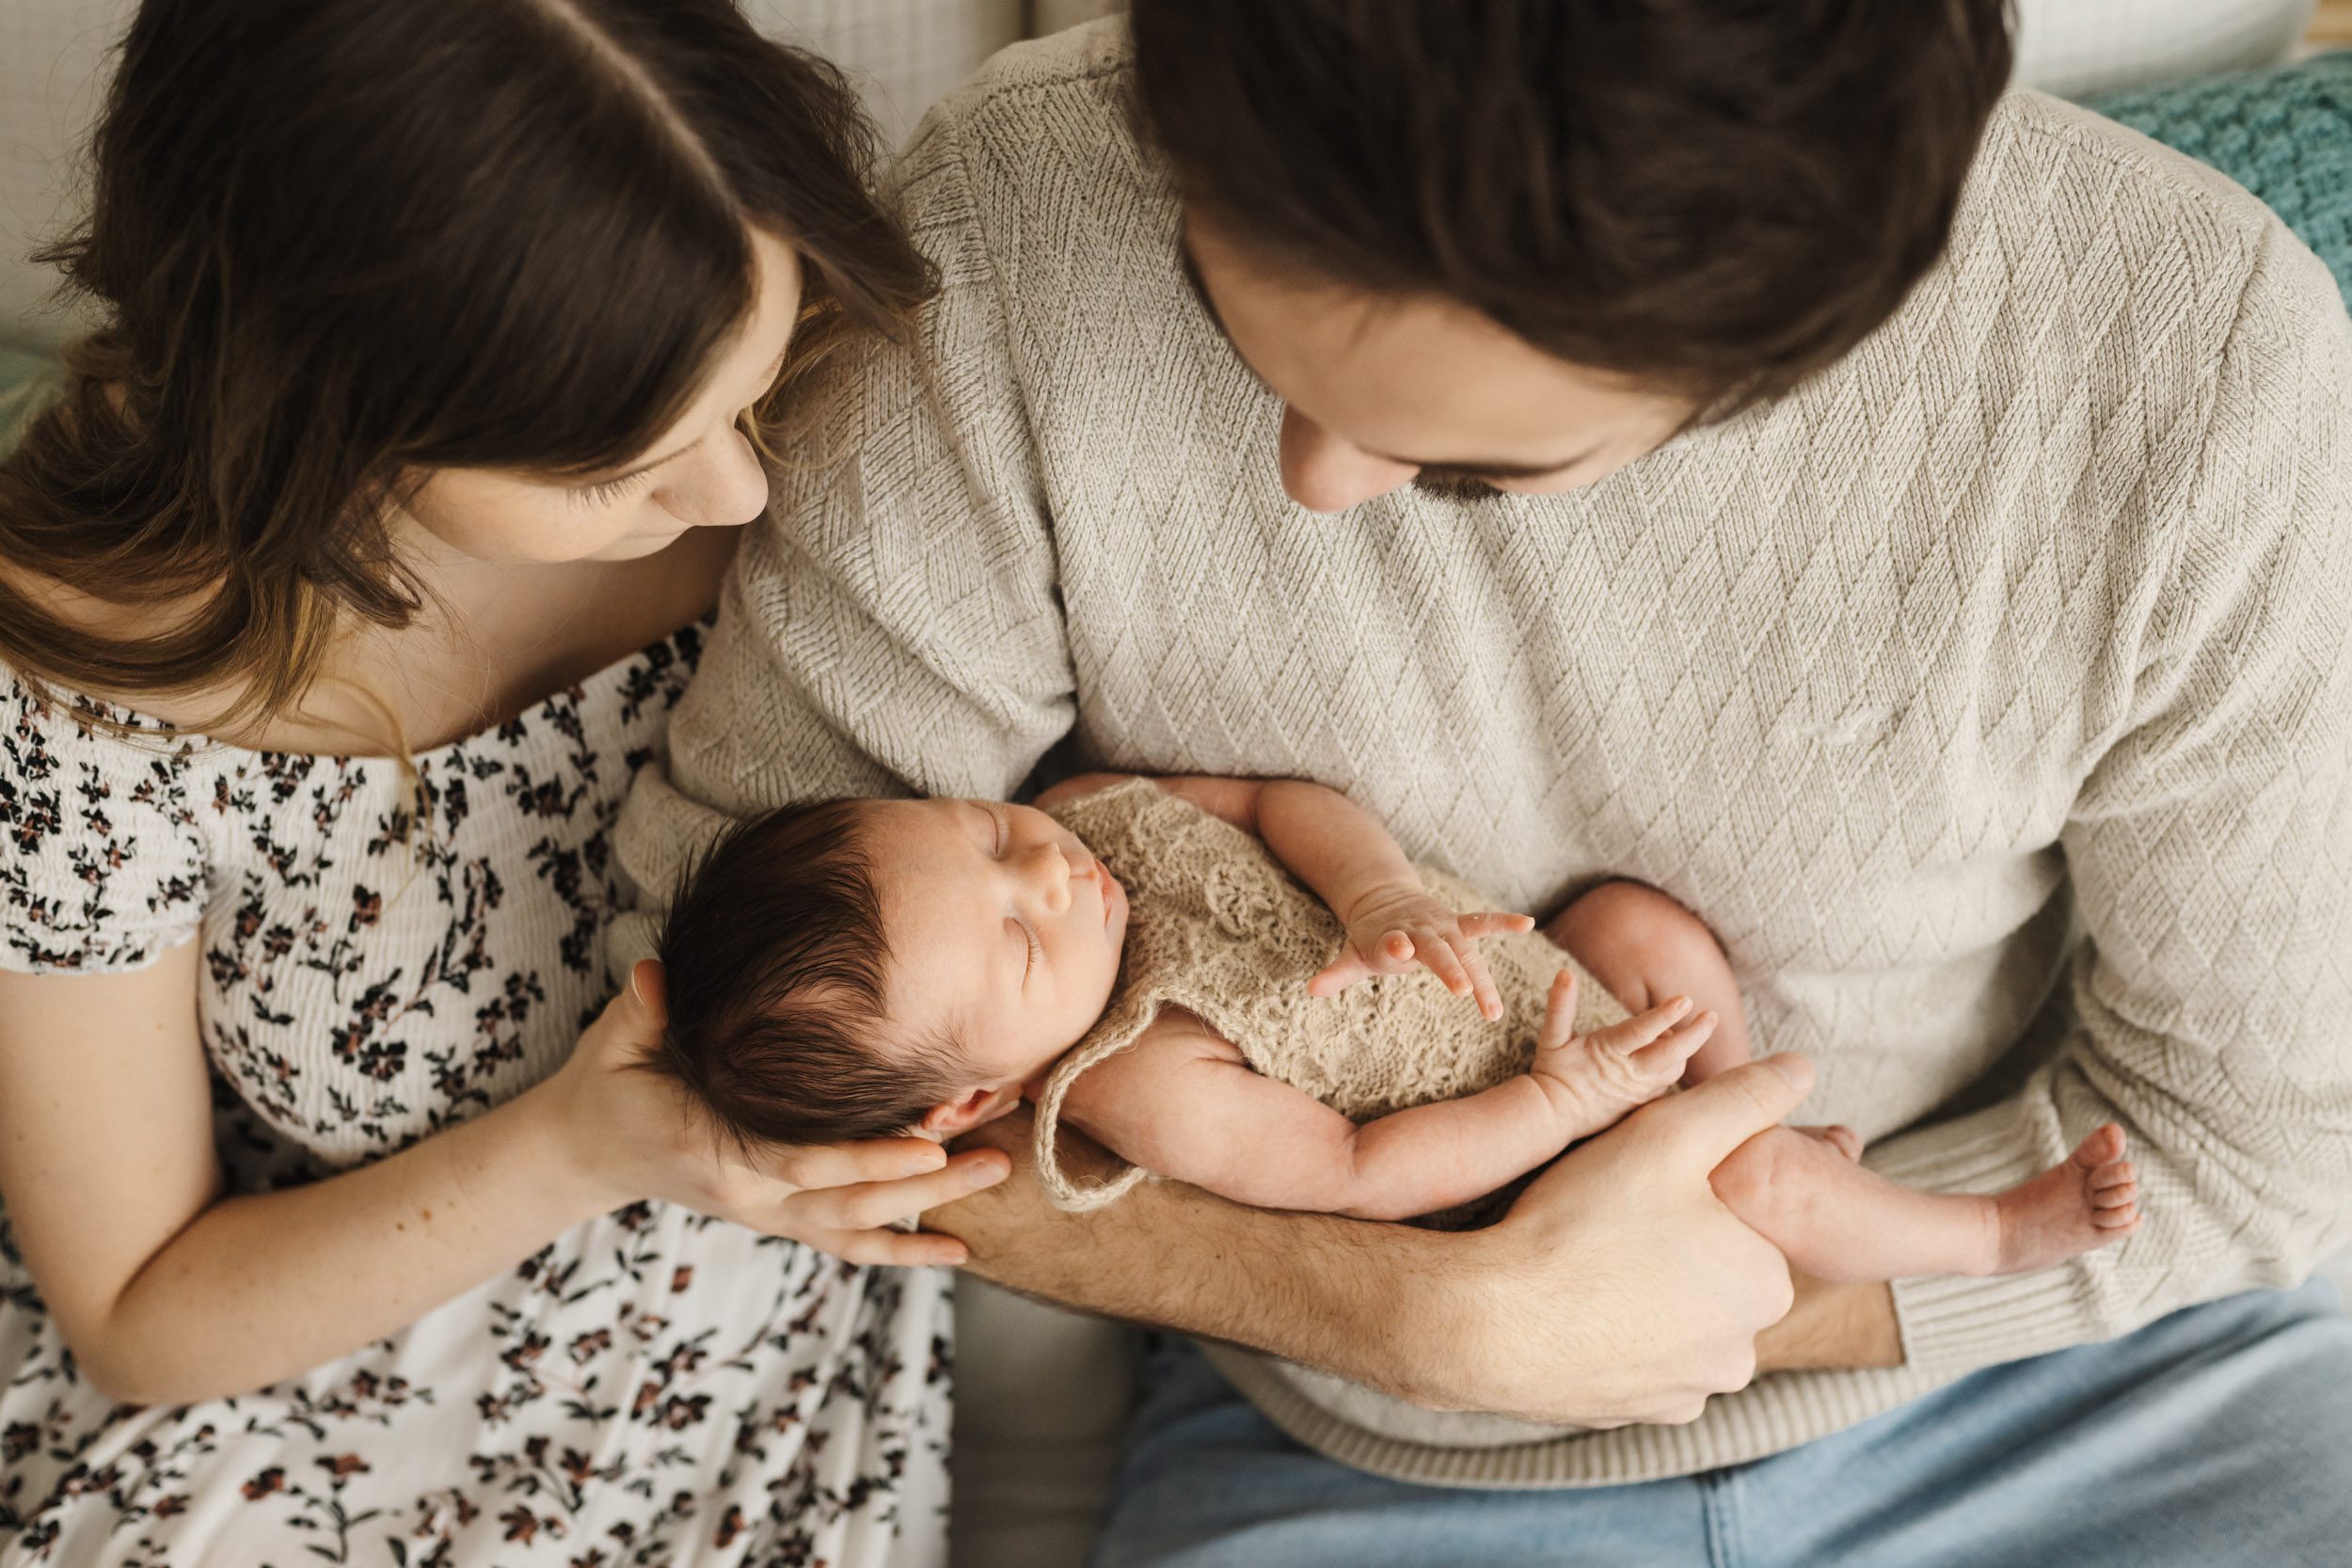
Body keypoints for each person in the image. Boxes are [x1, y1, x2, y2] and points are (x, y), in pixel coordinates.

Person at [612, 0, 2352, 1560]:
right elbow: (734, 1026)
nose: (1312, 485)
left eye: (1471, 463)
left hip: (2068, 1381)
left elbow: (2248, 1145)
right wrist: (1418, 1317)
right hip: (1354, 1438)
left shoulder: (2194, 367)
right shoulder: (1020, 218)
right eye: (1234, 319)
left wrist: (1737, 1299)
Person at [0, 2, 1017, 1561]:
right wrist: (583, 1147)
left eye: (746, 395)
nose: (738, 492)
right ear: (321, 413)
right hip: (291, 1404)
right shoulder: (88, 695)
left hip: (733, 1429)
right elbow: (139, 1316)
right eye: (620, 470)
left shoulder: (862, 406)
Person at [649, 772, 2138, 1284]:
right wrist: (1563, 1107)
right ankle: (1990, 1236)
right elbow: (1362, 1175)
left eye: (982, 835)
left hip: (1533, 978)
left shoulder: (1090, 814)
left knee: (1645, 928)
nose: (1044, 872)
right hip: (1531, 1146)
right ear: (972, 1100)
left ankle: (1768, 1118)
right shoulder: (1140, 1083)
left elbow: (1266, 803)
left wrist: (1372, 892)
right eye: (1024, 938)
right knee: (1741, 1178)